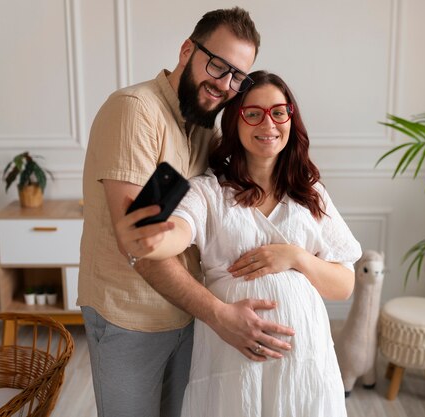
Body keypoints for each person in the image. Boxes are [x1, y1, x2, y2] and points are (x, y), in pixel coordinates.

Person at [78, 8, 294, 417]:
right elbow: (137, 245)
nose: (226, 85)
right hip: (131, 318)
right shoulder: (134, 110)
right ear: (186, 50)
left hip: (186, 316)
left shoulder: (203, 128)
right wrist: (220, 315)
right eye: (218, 65)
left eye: (238, 77)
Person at [138, 71, 362, 416]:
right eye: (253, 113)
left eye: (278, 112)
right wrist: (156, 235)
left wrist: (296, 257)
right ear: (235, 121)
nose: (267, 123)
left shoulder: (310, 194)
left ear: (291, 117)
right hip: (231, 356)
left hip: (305, 362)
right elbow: (178, 231)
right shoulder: (208, 190)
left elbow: (344, 284)